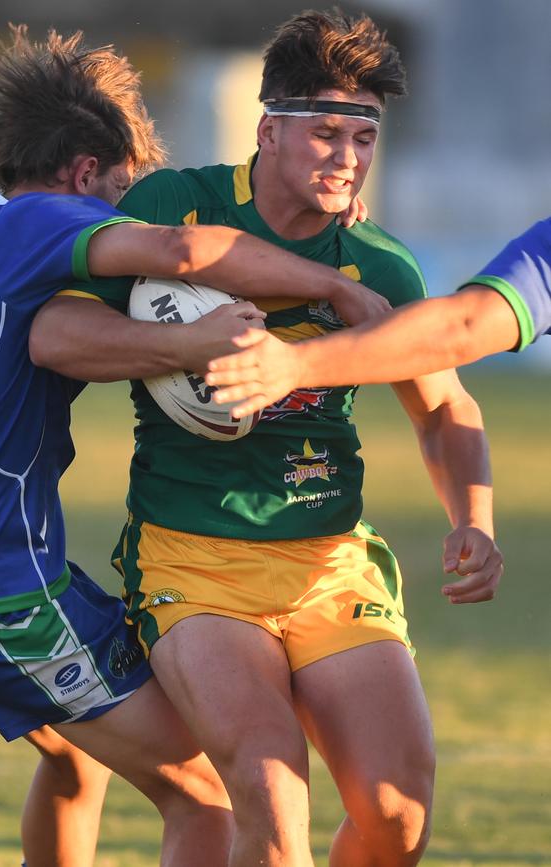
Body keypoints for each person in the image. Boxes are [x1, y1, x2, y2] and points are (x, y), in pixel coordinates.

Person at [0, 24, 394, 867]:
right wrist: (329, 287)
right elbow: (178, 248)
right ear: (84, 175)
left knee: (73, 758)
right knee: (202, 790)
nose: (122, 215)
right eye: (119, 192)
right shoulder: (39, 225)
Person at [30, 8, 503, 866]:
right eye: (325, 133)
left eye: (363, 139)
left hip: (329, 561)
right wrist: (189, 348)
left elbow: (445, 409)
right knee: (272, 800)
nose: (348, 158)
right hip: (194, 560)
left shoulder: (383, 266)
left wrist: (473, 513)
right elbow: (57, 333)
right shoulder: (177, 209)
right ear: (269, 131)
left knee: (397, 815)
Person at [206, 220, 551, 395]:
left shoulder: (384, 264)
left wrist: (296, 364)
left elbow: (459, 331)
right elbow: (461, 327)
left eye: (363, 139)